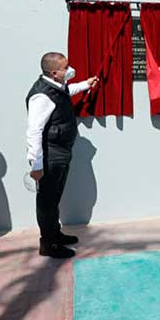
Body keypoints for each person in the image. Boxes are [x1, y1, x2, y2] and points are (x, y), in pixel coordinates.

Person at [27, 52, 97, 258]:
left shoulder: (56, 87)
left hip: (61, 152)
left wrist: (86, 84)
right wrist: (36, 164)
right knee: (47, 200)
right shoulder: (41, 96)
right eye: (66, 68)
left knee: (55, 197)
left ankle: (55, 234)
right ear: (54, 72)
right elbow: (34, 130)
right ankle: (48, 244)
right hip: (50, 155)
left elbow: (67, 91)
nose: (70, 70)